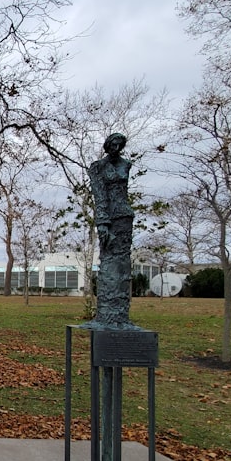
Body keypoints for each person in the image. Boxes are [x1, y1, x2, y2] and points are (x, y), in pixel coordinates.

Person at [86, 132, 140, 329]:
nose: (116, 148)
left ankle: (121, 316)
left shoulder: (126, 165)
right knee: (109, 263)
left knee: (123, 265)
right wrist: (102, 222)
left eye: (119, 145)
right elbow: (99, 196)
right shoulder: (98, 167)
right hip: (109, 218)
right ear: (107, 146)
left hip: (125, 215)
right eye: (113, 145)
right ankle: (107, 314)